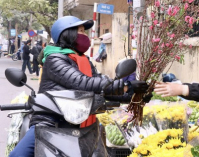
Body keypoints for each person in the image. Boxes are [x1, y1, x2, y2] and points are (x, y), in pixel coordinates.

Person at [9, 16, 150, 157]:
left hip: (83, 125)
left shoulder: (84, 61)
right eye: (81, 31)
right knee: (18, 155)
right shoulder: (55, 59)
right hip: (51, 123)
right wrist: (125, 85)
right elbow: (83, 83)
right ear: (67, 34)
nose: (85, 36)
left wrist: (133, 94)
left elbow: (100, 88)